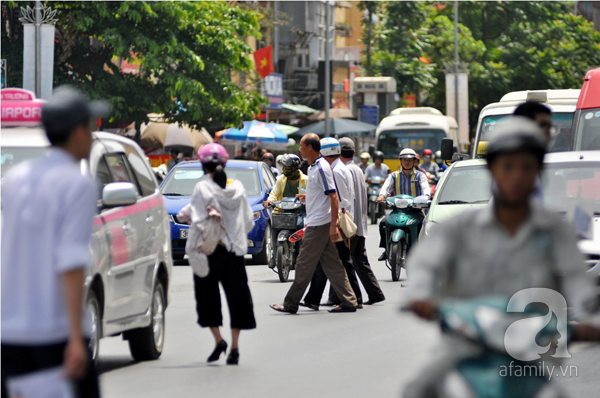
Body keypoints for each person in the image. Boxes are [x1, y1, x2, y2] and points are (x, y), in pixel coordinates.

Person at [403, 116, 600, 398]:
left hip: (532, 349)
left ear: (537, 173)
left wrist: (591, 319)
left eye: (526, 167)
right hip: (467, 344)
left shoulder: (555, 231)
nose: (517, 176)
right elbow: (425, 263)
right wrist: (421, 295)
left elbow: (579, 283)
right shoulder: (460, 228)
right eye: (508, 166)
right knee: (420, 388)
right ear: (493, 170)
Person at [1, 86, 106, 397]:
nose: (92, 136)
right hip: (53, 331)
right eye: (90, 127)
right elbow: (71, 262)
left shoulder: (16, 178)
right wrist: (75, 337)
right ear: (77, 132)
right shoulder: (77, 183)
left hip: (10, 331)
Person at [270, 133, 358, 314]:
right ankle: (349, 300)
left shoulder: (321, 168)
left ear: (310, 148)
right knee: (333, 264)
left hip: (319, 224)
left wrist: (333, 225)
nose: (300, 150)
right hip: (319, 222)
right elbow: (323, 194)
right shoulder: (313, 167)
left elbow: (333, 197)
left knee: (303, 264)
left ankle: (291, 303)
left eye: (302, 146)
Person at [186, 143, 257, 365]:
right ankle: (235, 346)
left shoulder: (201, 188)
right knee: (238, 298)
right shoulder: (238, 188)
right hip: (234, 251)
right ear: (225, 163)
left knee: (207, 297)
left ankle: (219, 341)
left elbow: (197, 220)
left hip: (209, 251)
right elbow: (247, 221)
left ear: (202, 165)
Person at [300, 137, 363, 309]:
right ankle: (313, 298)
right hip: (336, 217)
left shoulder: (334, 170)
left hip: (337, 219)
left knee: (341, 260)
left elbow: (336, 198)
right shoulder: (338, 168)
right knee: (329, 261)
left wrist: (334, 223)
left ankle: (355, 298)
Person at [337, 138, 386, 305]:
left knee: (345, 262)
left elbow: (347, 199)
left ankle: (353, 297)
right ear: (354, 153)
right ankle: (375, 293)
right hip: (359, 222)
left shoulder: (344, 170)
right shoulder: (357, 169)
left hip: (350, 223)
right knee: (358, 260)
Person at [376, 148, 429, 261]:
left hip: (415, 210)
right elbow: (386, 187)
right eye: (404, 160)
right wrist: (382, 195)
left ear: (414, 161)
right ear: (400, 161)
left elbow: (425, 189)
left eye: (410, 160)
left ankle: (422, 251)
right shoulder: (394, 175)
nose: (407, 162)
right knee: (383, 224)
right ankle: (386, 249)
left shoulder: (420, 176)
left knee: (422, 225)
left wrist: (425, 197)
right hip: (398, 210)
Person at [263, 154, 308, 269]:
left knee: (302, 229)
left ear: (294, 168)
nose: (284, 170)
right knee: (274, 227)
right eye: (283, 167)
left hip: (300, 211)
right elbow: (274, 194)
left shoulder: (307, 180)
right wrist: (269, 201)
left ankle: (302, 255)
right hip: (282, 210)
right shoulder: (281, 179)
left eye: (287, 167)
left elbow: (312, 195)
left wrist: (306, 198)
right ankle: (274, 255)